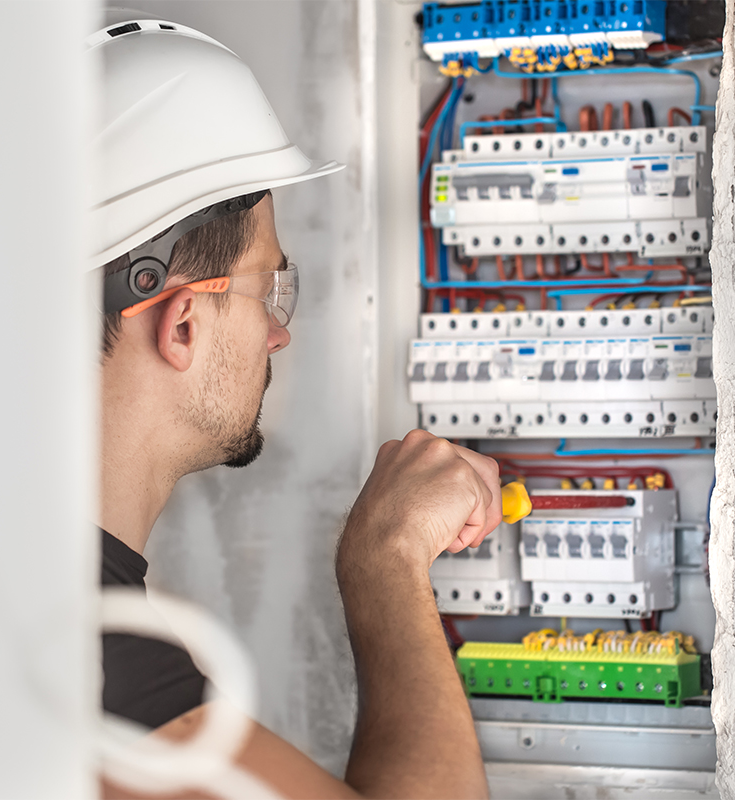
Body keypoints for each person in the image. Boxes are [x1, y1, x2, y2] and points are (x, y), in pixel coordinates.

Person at [90, 16, 502, 798]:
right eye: (269, 287)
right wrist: (384, 560)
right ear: (180, 322)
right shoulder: (95, 658)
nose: (278, 332)